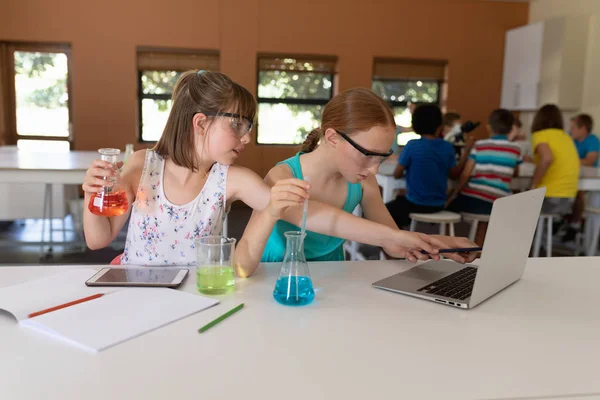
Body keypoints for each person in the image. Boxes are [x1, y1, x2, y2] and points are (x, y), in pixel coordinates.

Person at [82, 72, 469, 267]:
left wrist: (400, 240)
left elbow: (316, 217)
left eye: (249, 126)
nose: (247, 137)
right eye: (238, 125)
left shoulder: (233, 179)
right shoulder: (140, 166)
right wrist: (91, 197)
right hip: (139, 289)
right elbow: (99, 239)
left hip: (200, 293)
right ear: (200, 123)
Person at [235, 89, 477, 277]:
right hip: (276, 277)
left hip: (335, 276)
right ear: (332, 137)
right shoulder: (282, 177)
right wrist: (400, 238)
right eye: (367, 154)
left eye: (381, 156)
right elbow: (330, 221)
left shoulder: (364, 182)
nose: (374, 168)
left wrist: (440, 245)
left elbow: (392, 242)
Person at [385, 104, 472, 228]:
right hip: (439, 204)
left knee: (387, 210)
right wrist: (466, 154)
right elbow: (453, 176)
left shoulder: (412, 145)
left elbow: (396, 175)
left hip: (415, 203)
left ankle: (395, 242)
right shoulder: (447, 147)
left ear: (415, 125)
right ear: (439, 126)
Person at [446, 109, 522, 245]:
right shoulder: (516, 149)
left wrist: (454, 194)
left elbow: (465, 174)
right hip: (498, 203)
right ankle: (478, 249)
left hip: (474, 199)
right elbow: (515, 172)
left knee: (446, 208)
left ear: (489, 127)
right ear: (511, 128)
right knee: (485, 217)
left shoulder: (479, 145)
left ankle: (449, 244)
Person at [529, 104, 580, 216]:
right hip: (569, 197)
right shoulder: (566, 137)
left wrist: (533, 185)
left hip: (549, 196)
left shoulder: (540, 135)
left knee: (515, 206)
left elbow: (547, 158)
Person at [562, 114, 599, 241]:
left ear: (583, 128)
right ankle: (562, 220)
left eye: (573, 128)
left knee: (579, 193)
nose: (570, 131)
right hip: (571, 175)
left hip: (587, 177)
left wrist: (571, 160)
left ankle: (574, 224)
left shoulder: (593, 140)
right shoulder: (570, 139)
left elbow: (589, 161)